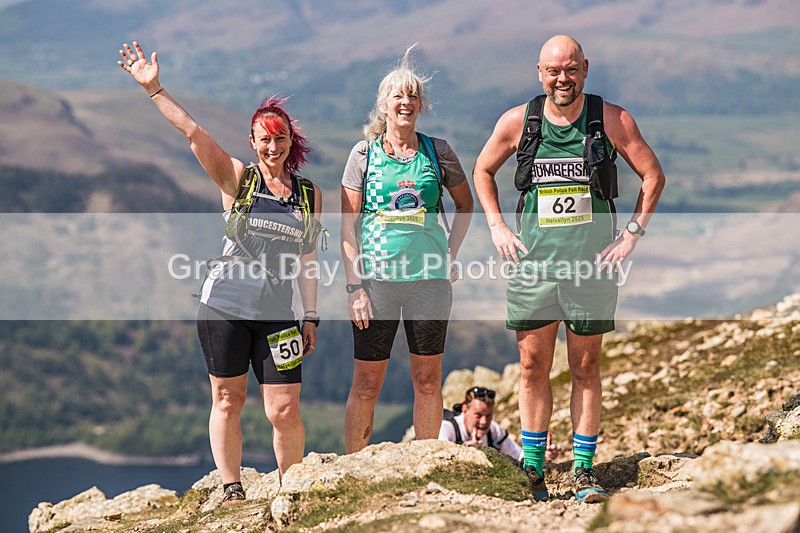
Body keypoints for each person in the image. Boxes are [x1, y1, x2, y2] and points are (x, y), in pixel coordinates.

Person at [117, 42, 324, 504]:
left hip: (277, 314)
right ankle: (232, 487)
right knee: (229, 400)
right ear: (253, 143)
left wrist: (310, 314)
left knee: (285, 408)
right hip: (224, 307)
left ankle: (292, 488)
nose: (273, 146)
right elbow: (193, 133)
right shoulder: (238, 178)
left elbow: (308, 259)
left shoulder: (308, 195)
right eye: (264, 139)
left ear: (291, 141)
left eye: (280, 138)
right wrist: (154, 88)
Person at [473, 35, 665, 503]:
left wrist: (631, 236)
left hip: (591, 268)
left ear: (585, 69)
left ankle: (582, 470)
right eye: (553, 70)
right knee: (532, 366)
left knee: (585, 365)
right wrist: (497, 226)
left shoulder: (613, 120)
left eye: (571, 69)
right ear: (540, 73)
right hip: (533, 265)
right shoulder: (519, 121)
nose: (563, 78)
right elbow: (482, 171)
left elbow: (653, 174)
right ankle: (533, 471)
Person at [341, 46, 474, 453]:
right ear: (384, 105)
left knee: (428, 380)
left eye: (413, 96)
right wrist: (354, 288)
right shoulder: (364, 155)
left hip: (429, 282)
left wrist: (450, 253)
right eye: (398, 96)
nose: (406, 103)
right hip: (377, 283)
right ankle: (353, 467)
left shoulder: (439, 152)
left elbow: (466, 204)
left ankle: (425, 462)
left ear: (421, 105)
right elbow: (348, 224)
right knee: (366, 384)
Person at [439, 387, 559, 462]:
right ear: (465, 410)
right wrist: (465, 452)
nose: (484, 422)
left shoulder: (493, 429)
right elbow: (440, 457)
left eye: (488, 415)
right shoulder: (446, 428)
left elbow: (518, 455)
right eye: (478, 415)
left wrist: (541, 453)